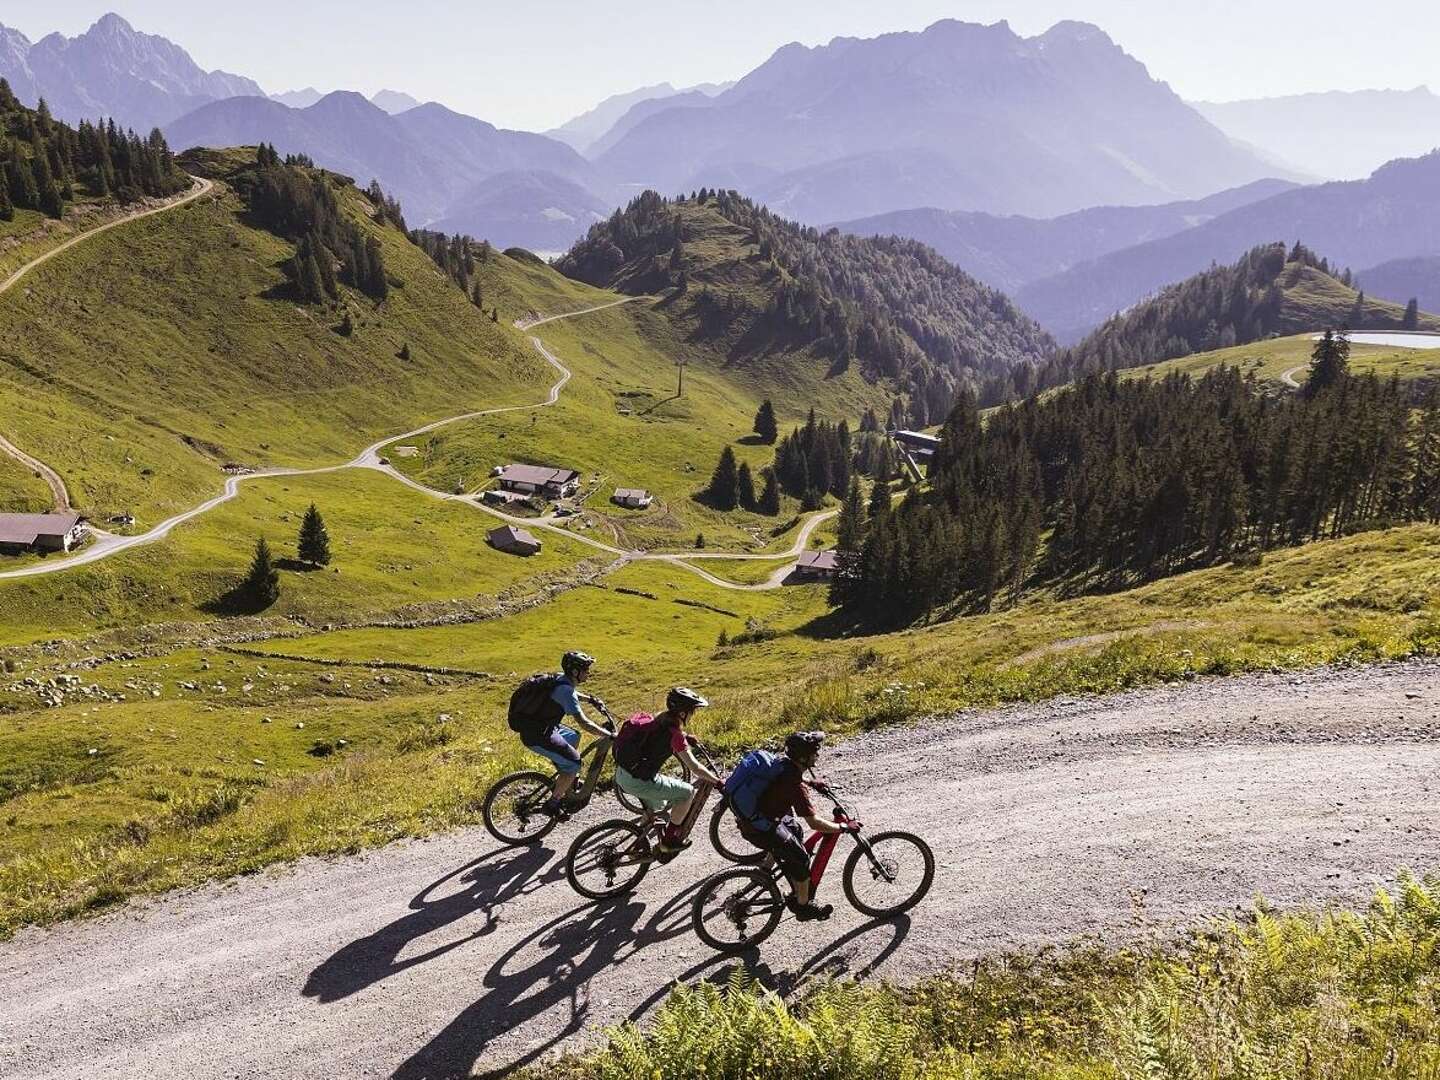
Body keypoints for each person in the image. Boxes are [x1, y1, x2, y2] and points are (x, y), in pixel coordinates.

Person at [733, 730, 851, 921]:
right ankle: (803, 906)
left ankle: (766, 869)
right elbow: (815, 822)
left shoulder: (783, 762)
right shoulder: (796, 787)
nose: (817, 755)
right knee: (802, 860)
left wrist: (811, 782)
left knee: (794, 829)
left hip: (752, 819)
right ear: (804, 758)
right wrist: (842, 828)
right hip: (760, 827)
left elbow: (790, 775)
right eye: (814, 752)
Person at [612, 688, 724, 853]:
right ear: (683, 713)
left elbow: (660, 734)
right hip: (639, 781)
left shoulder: (660, 718)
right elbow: (695, 767)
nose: (693, 715)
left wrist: (685, 736)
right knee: (686, 793)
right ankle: (669, 841)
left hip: (623, 774)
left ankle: (637, 847)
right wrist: (718, 782)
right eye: (692, 711)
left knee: (657, 808)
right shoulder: (674, 735)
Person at [507, 651, 614, 817]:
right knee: (575, 764)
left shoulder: (559, 679)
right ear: (575, 672)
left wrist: (590, 700)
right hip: (538, 736)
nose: (588, 673)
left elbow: (570, 692)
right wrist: (607, 734)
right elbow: (584, 722)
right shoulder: (566, 692)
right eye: (585, 669)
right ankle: (553, 803)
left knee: (574, 736)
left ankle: (566, 778)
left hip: (541, 727)